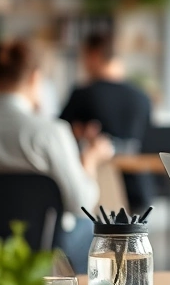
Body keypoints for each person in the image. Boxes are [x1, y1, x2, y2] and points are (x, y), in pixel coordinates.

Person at [0, 39, 114, 269]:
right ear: (35, 78)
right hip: (42, 251)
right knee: (97, 229)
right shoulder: (50, 132)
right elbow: (81, 204)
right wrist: (89, 160)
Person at [60, 33, 153, 212]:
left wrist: (79, 133)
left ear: (94, 56)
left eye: (84, 57)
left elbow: (59, 134)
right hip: (140, 190)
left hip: (98, 193)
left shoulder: (84, 95)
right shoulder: (142, 97)